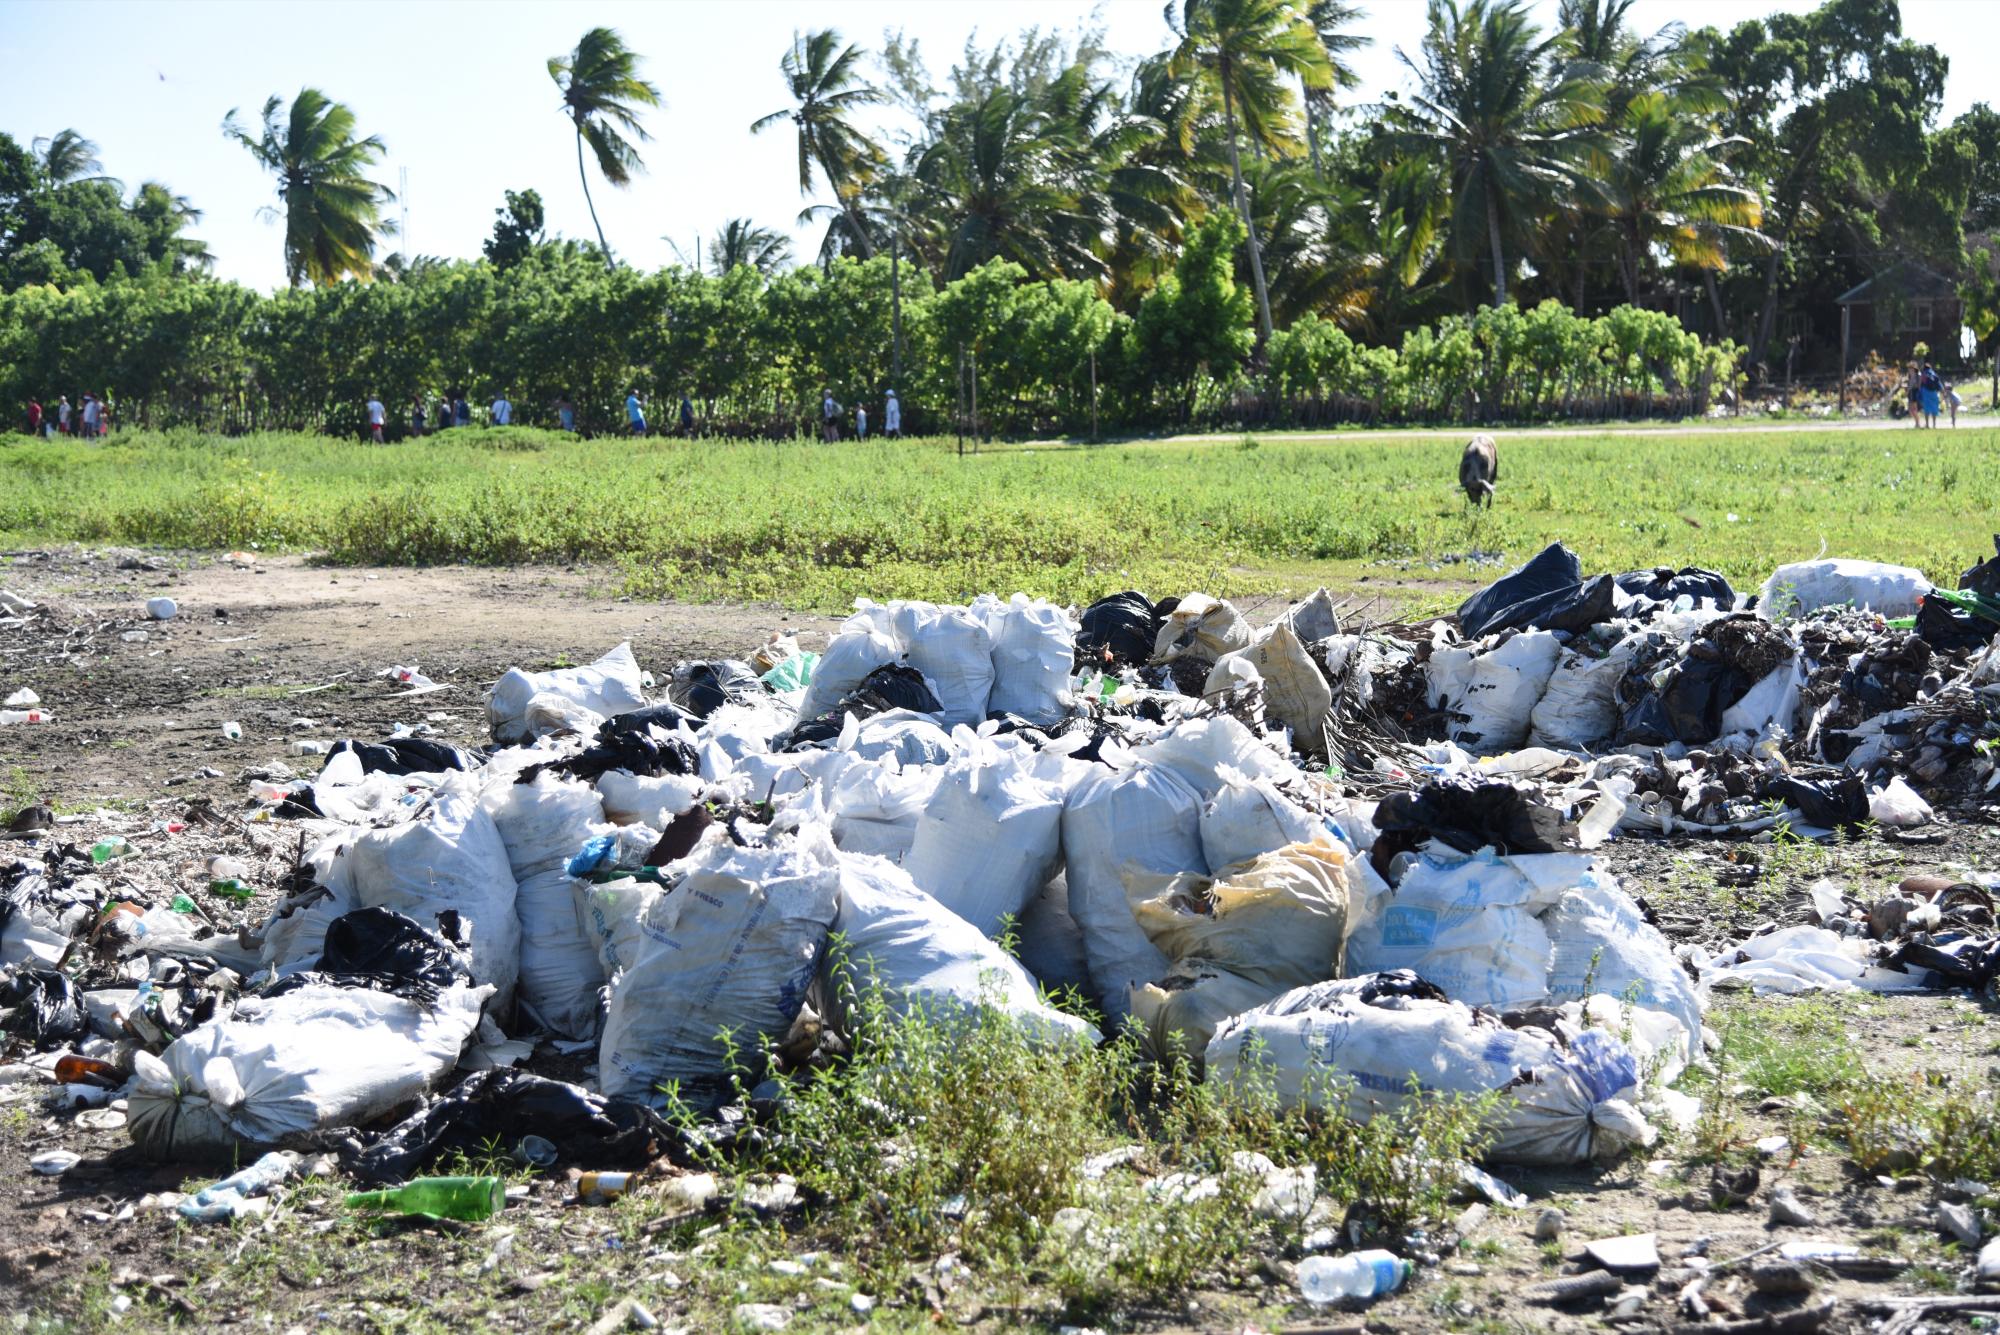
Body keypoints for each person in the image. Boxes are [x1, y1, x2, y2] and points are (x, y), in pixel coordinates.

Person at [1920, 362, 1942, 429]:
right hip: (1934, 393)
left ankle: (1927, 424)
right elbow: (1939, 384)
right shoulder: (1934, 374)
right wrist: (1942, 391)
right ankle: (1934, 425)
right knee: (1934, 408)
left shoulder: (1924, 374)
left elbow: (1921, 383)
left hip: (1926, 392)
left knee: (1927, 409)